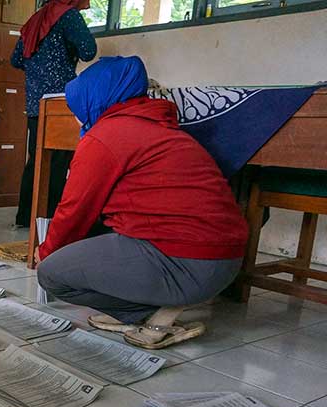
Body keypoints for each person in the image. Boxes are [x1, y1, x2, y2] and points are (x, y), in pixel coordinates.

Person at [35, 56, 249, 349]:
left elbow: (74, 210)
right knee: (96, 241)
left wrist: (45, 252)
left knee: (52, 274)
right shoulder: (156, 126)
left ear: (98, 98)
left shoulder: (107, 136)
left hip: (188, 263)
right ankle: (162, 304)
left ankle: (150, 315)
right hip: (225, 261)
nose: (77, 117)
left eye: (77, 106)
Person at [11, 0, 96, 229]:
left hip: (36, 103)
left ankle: (25, 216)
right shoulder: (68, 16)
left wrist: (39, 70)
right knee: (58, 160)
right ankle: (46, 218)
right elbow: (89, 51)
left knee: (37, 159)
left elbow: (16, 59)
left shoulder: (36, 18)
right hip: (59, 101)